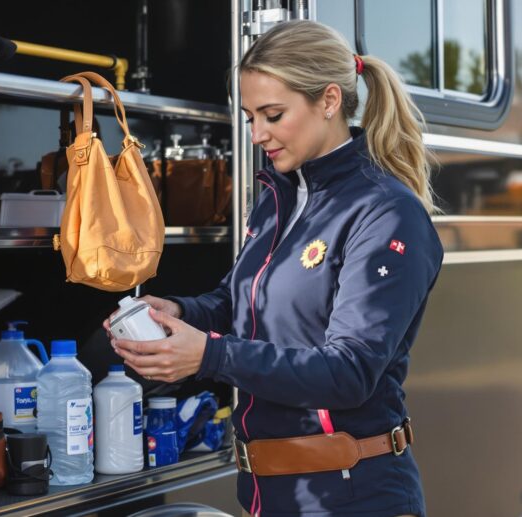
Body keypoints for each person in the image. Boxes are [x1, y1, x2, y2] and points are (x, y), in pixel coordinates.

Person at [105, 20, 443, 517]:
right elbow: (235, 304)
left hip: (351, 498)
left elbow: (350, 372)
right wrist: (177, 312)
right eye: (249, 117)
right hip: (272, 495)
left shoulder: (385, 211)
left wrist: (210, 356)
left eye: (273, 114)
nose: (257, 133)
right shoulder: (276, 199)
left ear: (329, 101)